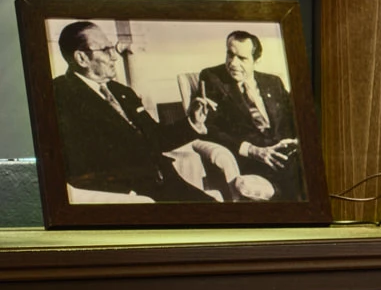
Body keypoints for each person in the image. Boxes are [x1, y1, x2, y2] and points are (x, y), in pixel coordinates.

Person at [49, 20, 248, 201]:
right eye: (106, 49)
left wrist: (193, 122)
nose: (114, 57)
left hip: (166, 183)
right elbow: (75, 165)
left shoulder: (122, 92)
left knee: (218, 214)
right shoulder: (59, 96)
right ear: (81, 58)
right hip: (126, 195)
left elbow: (156, 138)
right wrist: (125, 195)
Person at [194, 30, 302, 201]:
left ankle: (282, 193)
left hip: (286, 151)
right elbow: (208, 127)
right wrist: (252, 150)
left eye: (242, 59)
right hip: (251, 156)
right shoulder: (211, 78)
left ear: (256, 61)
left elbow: (296, 116)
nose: (233, 63)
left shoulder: (273, 82)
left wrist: (298, 141)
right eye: (230, 54)